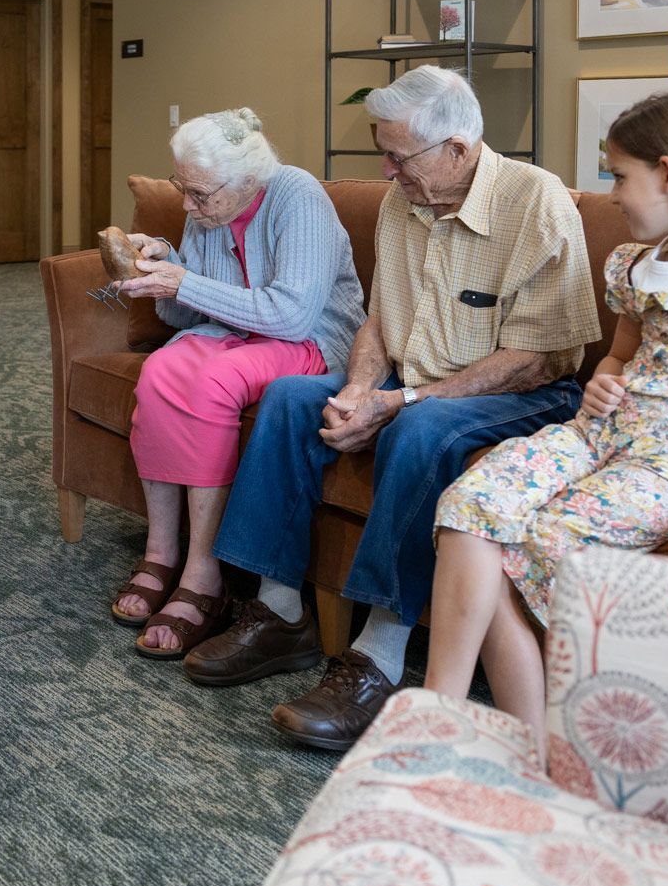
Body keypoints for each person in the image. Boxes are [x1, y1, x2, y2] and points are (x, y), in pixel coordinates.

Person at [200, 65, 600, 750]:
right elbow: (380, 325)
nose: (386, 172)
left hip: (520, 394)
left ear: (459, 148)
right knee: (293, 397)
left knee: (420, 427)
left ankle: (377, 656)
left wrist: (400, 401)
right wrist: (359, 390)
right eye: (381, 153)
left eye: (398, 156)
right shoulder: (404, 203)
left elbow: (537, 358)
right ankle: (279, 614)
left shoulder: (534, 203)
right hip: (412, 383)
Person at [426, 89, 668, 748]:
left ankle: (535, 747)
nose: (611, 194)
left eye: (618, 174)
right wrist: (604, 385)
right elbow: (617, 359)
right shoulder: (636, 266)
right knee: (470, 505)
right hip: (599, 437)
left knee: (534, 544)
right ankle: (440, 713)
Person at [108, 109, 365, 661]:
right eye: (182, 189)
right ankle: (160, 550)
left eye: (197, 193)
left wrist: (186, 282)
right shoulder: (208, 207)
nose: (186, 206)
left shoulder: (296, 196)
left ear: (249, 177)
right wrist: (165, 274)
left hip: (311, 340)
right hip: (235, 333)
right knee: (159, 373)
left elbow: (292, 316)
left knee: (209, 382)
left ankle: (204, 573)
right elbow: (186, 317)